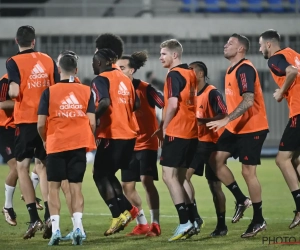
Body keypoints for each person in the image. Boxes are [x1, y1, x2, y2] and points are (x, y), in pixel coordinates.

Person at [207, 33, 269, 238]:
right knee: (215, 160)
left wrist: (226, 119)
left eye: (230, 43)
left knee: (247, 172)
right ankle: (242, 199)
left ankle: (259, 219)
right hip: (236, 127)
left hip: (252, 127)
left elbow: (249, 100)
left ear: (241, 49)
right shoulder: (231, 69)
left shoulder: (244, 69)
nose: (225, 45)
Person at [7, 25, 59, 239]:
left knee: (22, 166)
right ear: (34, 41)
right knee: (43, 166)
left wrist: (15, 95)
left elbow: (14, 90)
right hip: (47, 120)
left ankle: (33, 217)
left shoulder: (13, 62)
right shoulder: (47, 59)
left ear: (16, 41)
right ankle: (48, 215)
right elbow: (56, 87)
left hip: (26, 120)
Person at [37, 53, 96, 246]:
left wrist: (46, 139)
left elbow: (40, 124)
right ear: (76, 70)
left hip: (56, 144)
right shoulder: (87, 91)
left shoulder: (49, 92)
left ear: (59, 69)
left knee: (53, 188)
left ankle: (56, 231)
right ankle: (78, 227)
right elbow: (93, 122)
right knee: (76, 187)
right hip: (78, 144)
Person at [117, 50, 163, 237]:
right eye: (116, 67)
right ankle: (142, 223)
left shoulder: (146, 89)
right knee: (127, 186)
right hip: (127, 145)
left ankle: (156, 224)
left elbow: (165, 103)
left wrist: (163, 127)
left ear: (132, 70)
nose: (118, 71)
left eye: (122, 68)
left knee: (146, 181)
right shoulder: (115, 90)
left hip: (146, 143)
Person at [92, 49, 138, 236]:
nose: (93, 66)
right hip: (129, 135)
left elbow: (103, 102)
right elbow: (137, 105)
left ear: (101, 63)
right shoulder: (125, 78)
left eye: (94, 63)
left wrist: (92, 119)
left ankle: (117, 214)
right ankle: (128, 209)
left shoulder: (101, 79)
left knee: (99, 174)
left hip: (113, 134)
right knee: (108, 174)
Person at [259, 29, 300, 229]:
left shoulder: (275, 58)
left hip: (299, 112)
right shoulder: (295, 53)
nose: (260, 49)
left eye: (260, 45)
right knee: (296, 159)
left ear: (268, 44)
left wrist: (281, 92)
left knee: (281, 159)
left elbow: (291, 72)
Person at [158, 39, 198, 241]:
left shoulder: (174, 74)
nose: (160, 57)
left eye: (163, 53)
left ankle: (184, 223)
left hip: (177, 130)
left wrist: (164, 127)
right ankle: (194, 220)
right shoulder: (190, 72)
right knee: (181, 178)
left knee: (169, 177)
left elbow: (172, 104)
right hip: (191, 131)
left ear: (175, 55)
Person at [186, 61, 228, 237]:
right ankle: (196, 218)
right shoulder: (191, 93)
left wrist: (201, 121)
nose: (189, 75)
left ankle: (219, 225)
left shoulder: (212, 92)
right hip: (197, 142)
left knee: (213, 185)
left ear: (201, 73)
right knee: (184, 178)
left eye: (192, 71)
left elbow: (223, 114)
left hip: (211, 143)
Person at [0, 73, 18, 226]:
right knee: (16, 167)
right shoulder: (6, 80)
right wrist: (26, 103)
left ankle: (29, 194)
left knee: (41, 163)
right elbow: (2, 104)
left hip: (20, 128)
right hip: (4, 130)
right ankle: (7, 206)